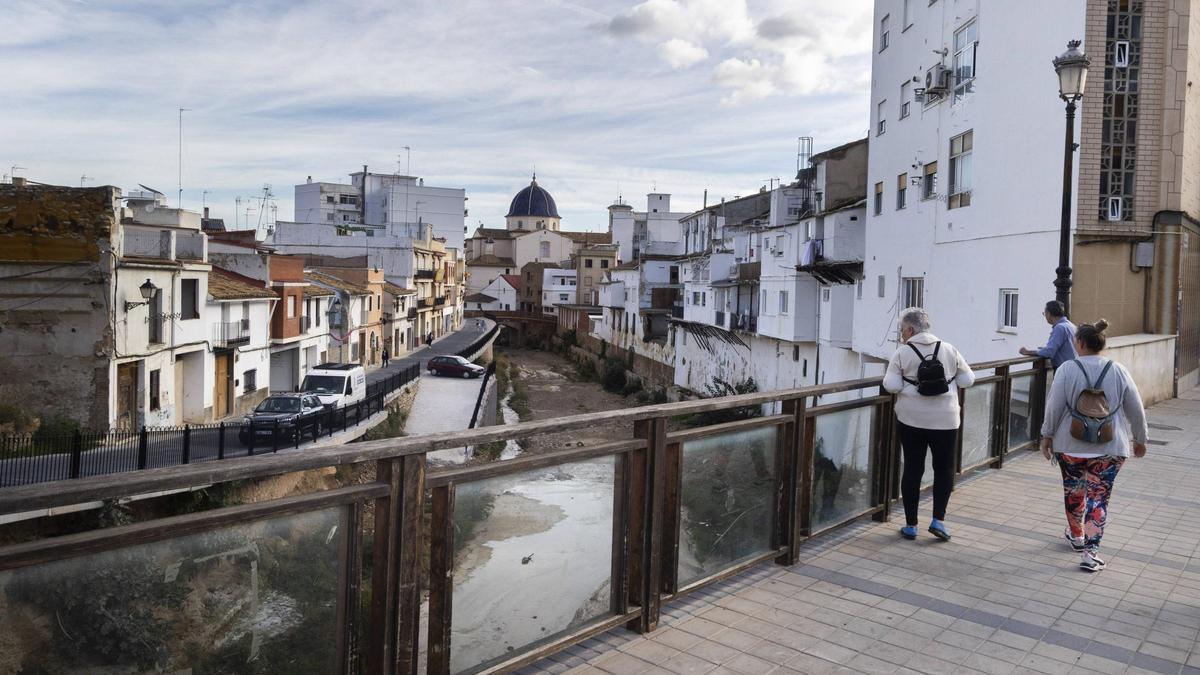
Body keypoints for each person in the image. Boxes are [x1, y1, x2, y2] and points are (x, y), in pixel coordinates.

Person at [1040, 319, 1147, 572]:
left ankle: (1077, 536)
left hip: (1070, 445)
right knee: (1099, 498)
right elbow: (1135, 406)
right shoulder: (1118, 370)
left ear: (1079, 343)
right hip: (1110, 447)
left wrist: (1047, 435)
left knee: (1074, 491)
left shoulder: (1067, 369)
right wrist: (1140, 438)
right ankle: (1091, 553)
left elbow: (1054, 405)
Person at [883, 307, 976, 542]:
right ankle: (938, 521)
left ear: (910, 329)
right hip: (946, 420)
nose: (901, 334)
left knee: (913, 469)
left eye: (902, 330)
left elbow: (891, 385)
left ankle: (911, 525)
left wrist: (909, 385)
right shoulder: (949, 348)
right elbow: (968, 379)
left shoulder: (902, 352)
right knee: (944, 469)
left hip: (911, 420)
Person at [1020, 301, 1077, 369]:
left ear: (1049, 313)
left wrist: (1027, 352)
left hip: (1064, 369)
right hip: (1073, 367)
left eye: (1045, 313)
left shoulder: (1059, 328)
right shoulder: (1071, 325)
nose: (1045, 316)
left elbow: (1049, 352)